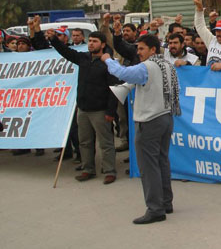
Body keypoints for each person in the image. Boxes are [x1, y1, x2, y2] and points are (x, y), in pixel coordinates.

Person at [102, 33, 181, 224]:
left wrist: (108, 60)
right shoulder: (167, 65)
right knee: (161, 161)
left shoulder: (147, 67)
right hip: (166, 117)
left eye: (142, 48)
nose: (138, 52)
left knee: (148, 166)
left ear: (153, 49)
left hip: (150, 120)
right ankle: (165, 202)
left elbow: (122, 73)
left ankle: (155, 209)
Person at [49, 30, 118, 184]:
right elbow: (65, 51)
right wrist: (53, 39)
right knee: (85, 142)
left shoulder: (109, 63)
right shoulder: (83, 58)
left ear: (103, 44)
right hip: (83, 109)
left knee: (105, 143)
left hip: (100, 110)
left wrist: (110, 111)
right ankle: (88, 169)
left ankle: (109, 171)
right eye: (90, 41)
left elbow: (114, 89)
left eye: (95, 41)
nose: (91, 44)